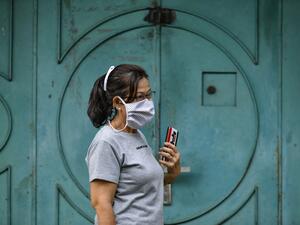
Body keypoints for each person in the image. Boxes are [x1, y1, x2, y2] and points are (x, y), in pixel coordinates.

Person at [85, 64, 181, 225]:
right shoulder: (106, 142)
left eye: (148, 95)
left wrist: (173, 173)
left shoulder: (135, 134)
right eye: (139, 97)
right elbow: (101, 204)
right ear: (117, 102)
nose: (146, 102)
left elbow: (138, 186)